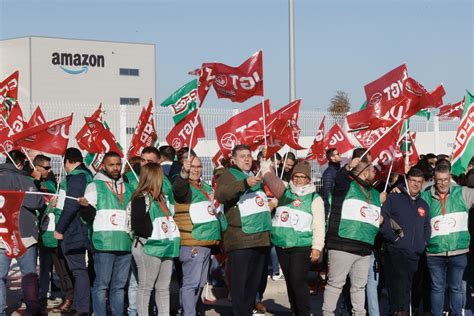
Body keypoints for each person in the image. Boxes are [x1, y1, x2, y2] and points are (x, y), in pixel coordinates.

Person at [261, 160, 325, 316]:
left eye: (302, 177)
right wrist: (265, 164)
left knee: (298, 281)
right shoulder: (284, 191)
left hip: (301, 246)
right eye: (296, 176)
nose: (298, 180)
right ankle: (295, 311)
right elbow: (271, 179)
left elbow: (319, 225)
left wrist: (317, 247)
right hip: (282, 245)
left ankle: (304, 312)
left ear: (308, 179)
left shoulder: (314, 198)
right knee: (290, 282)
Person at [323, 155, 385, 316]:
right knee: (336, 284)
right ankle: (328, 313)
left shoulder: (374, 193)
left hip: (364, 248)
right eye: (372, 170)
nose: (375, 173)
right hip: (342, 244)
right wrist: (348, 167)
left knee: (359, 286)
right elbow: (339, 179)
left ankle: (359, 313)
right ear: (364, 173)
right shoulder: (346, 186)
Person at [216, 144, 272, 316]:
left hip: (260, 238)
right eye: (242, 156)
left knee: (253, 285)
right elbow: (222, 195)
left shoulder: (253, 176)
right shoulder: (228, 175)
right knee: (241, 286)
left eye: (249, 155)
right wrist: (244, 183)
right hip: (242, 239)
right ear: (233, 159)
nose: (247, 158)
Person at [79, 151, 134, 316]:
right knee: (102, 285)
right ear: (103, 165)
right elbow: (87, 217)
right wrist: (85, 207)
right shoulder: (95, 185)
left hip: (125, 242)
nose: (116, 168)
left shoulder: (129, 187)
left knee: (119, 286)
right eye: (112, 164)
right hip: (104, 243)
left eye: (118, 164)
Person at [173, 155, 224, 316]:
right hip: (191, 242)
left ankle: (190, 311)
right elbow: (179, 190)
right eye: (192, 166)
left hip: (207, 242)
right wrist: (183, 173)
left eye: (199, 166)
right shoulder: (185, 186)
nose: (196, 170)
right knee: (191, 283)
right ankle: (188, 313)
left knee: (201, 283)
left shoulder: (206, 187)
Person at [421, 163, 474, 316]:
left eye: (445, 179)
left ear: (450, 177)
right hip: (434, 252)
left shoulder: (462, 192)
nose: (442, 183)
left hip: (458, 251)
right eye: (439, 180)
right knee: (437, 288)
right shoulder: (426, 196)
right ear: (434, 179)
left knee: (456, 288)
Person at [130, 162, 180, 315]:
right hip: (148, 245)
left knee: (163, 287)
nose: (163, 178)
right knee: (146, 286)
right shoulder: (140, 197)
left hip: (165, 245)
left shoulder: (161, 198)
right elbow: (137, 224)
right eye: (160, 175)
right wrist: (154, 233)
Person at [380, 168, 431, 315]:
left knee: (411, 290)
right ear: (407, 180)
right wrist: (397, 235)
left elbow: (427, 225)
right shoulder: (394, 198)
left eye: (419, 182)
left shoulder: (423, 204)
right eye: (413, 181)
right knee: (398, 292)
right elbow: (384, 218)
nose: (416, 184)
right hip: (396, 252)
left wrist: (424, 242)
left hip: (415, 254)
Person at [0, 150, 45, 316]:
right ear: (19, 163)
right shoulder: (23, 180)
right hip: (23, 236)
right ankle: (32, 309)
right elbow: (37, 202)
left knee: (0, 276)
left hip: (1, 235)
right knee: (29, 275)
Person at [54, 148, 93, 316]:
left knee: (78, 269)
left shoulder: (77, 177)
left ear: (68, 161)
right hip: (81, 227)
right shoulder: (86, 174)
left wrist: (59, 228)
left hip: (75, 228)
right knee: (79, 269)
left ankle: (83, 308)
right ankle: (78, 305)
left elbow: (71, 205)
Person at [35, 155, 75, 313]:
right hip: (39, 232)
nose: (49, 170)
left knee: (61, 267)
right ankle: (41, 296)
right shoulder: (31, 183)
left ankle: (69, 296)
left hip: (52, 232)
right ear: (36, 167)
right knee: (43, 267)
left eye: (50, 167)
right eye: (45, 168)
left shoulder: (51, 184)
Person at [322, 148, 341, 217]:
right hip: (333, 208)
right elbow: (327, 194)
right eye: (338, 154)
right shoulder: (329, 173)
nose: (340, 155)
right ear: (332, 157)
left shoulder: (339, 170)